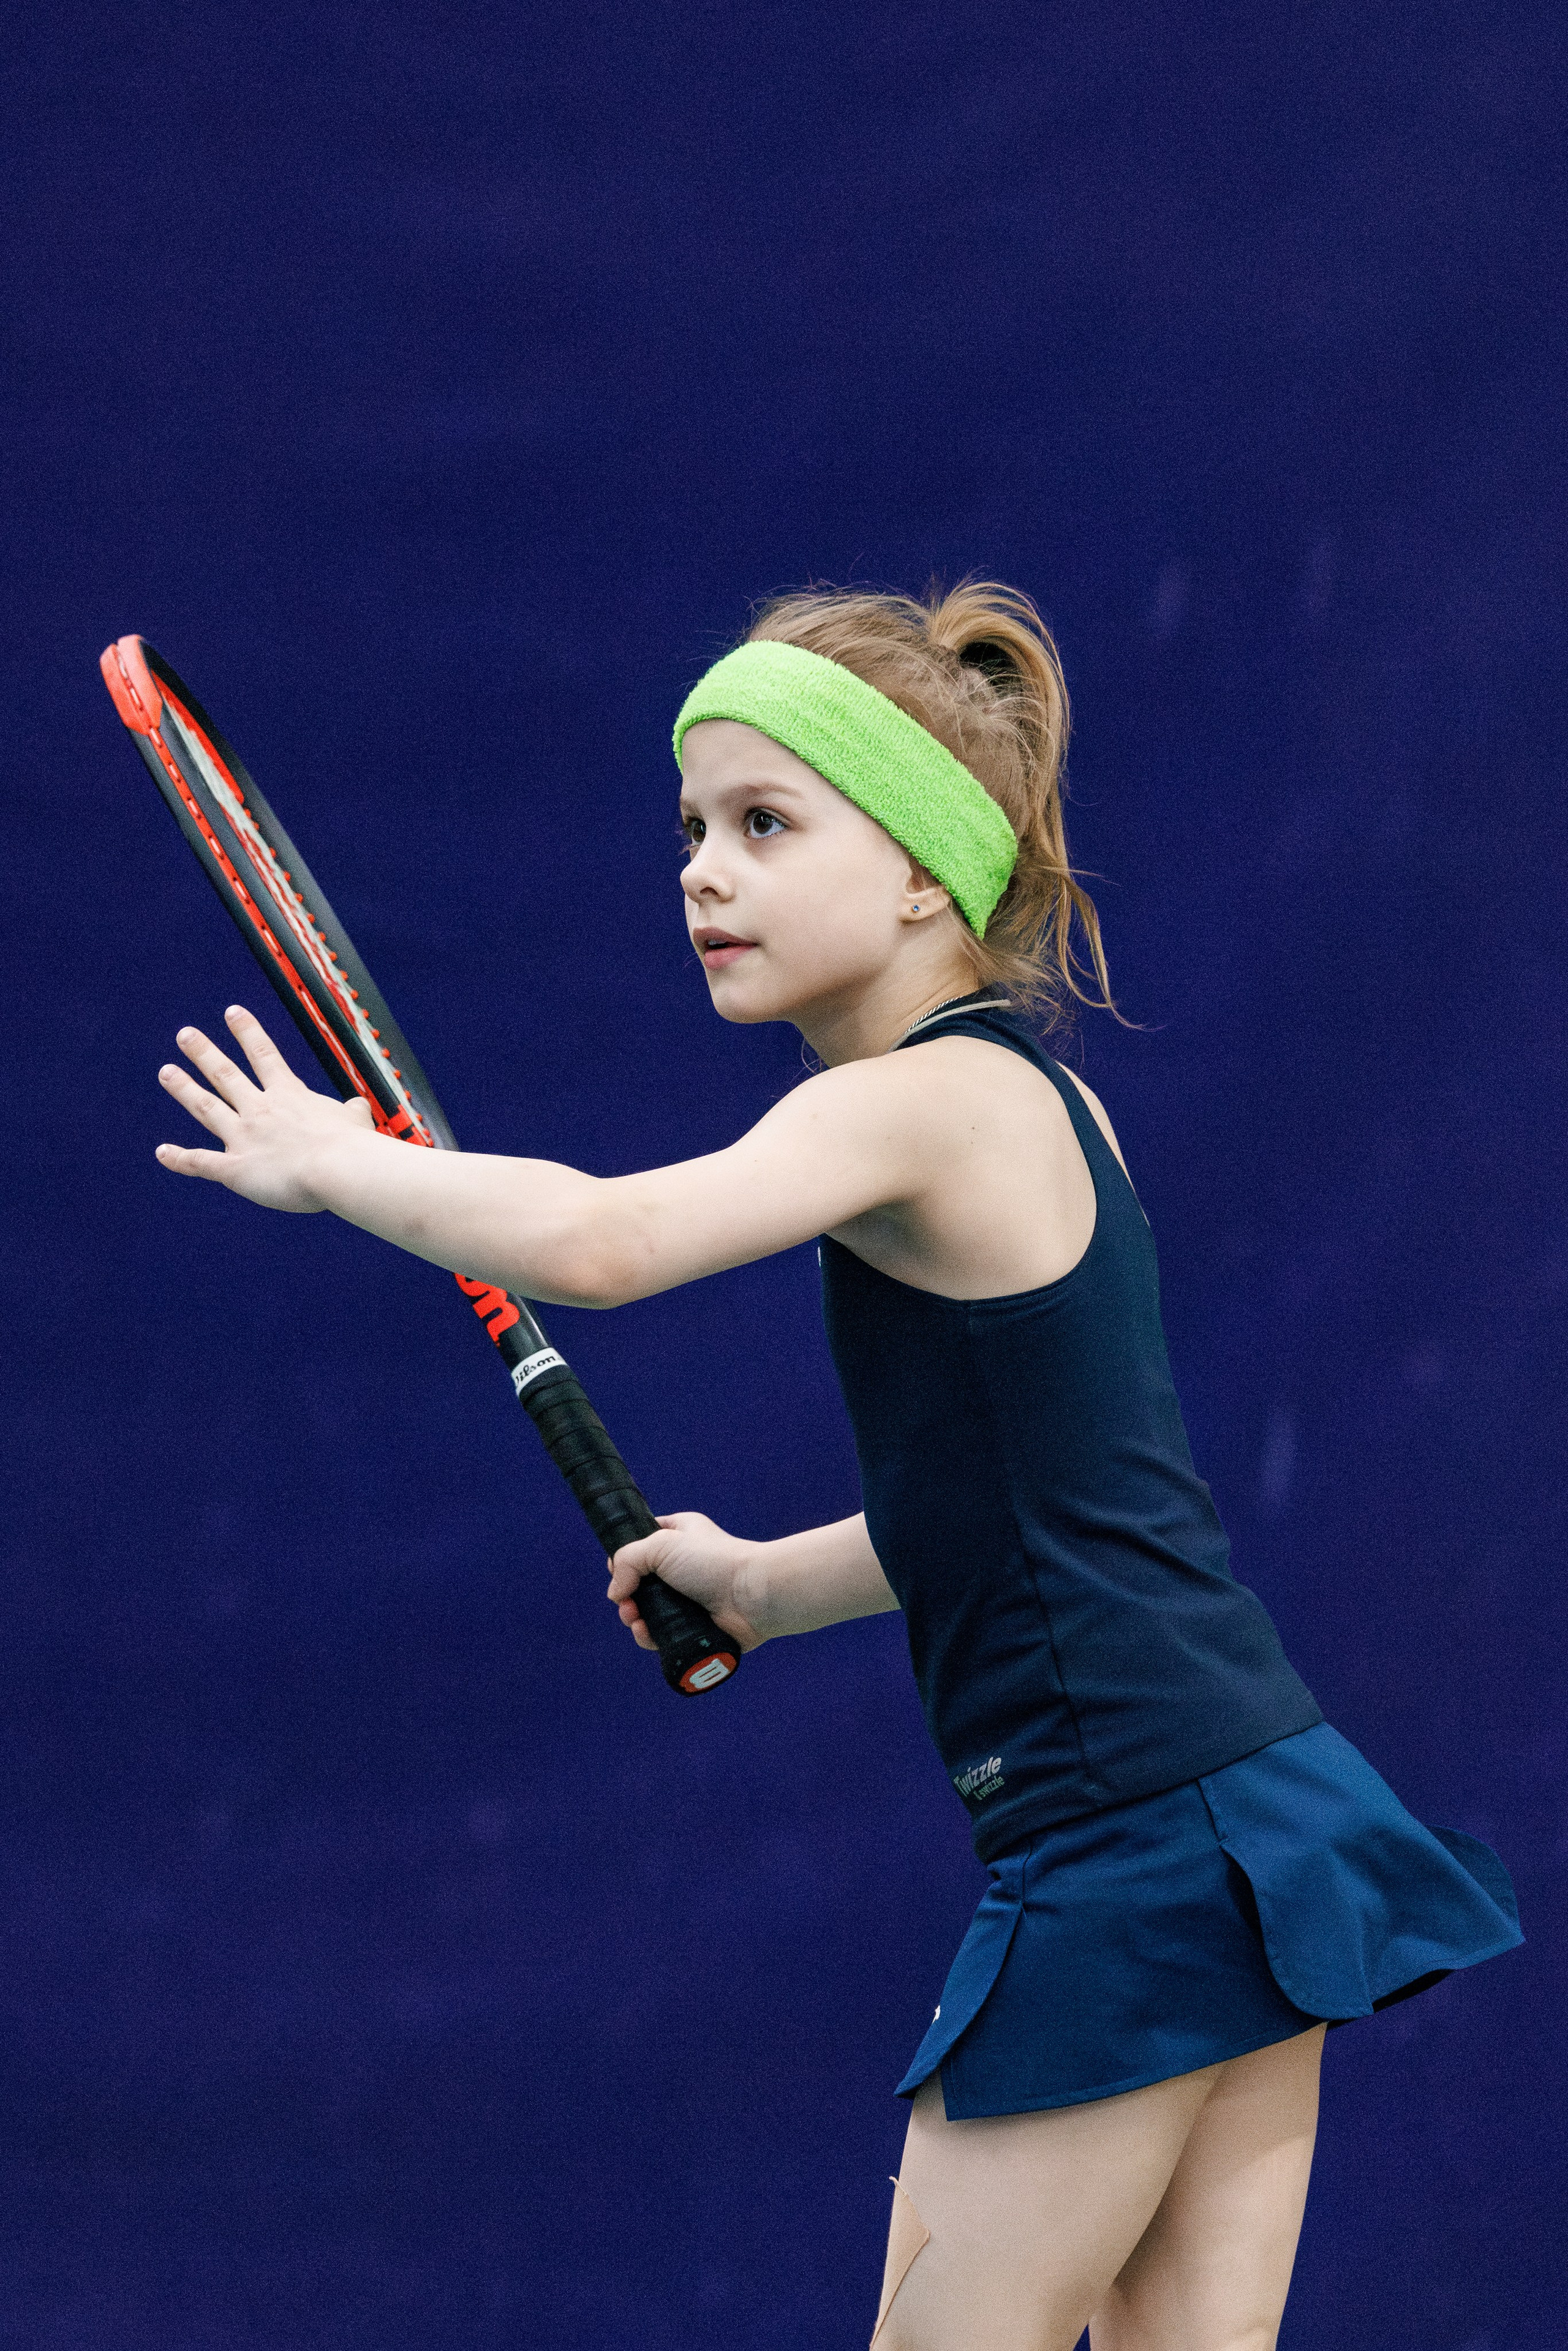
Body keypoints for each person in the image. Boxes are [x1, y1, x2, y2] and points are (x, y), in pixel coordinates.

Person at [153, 582, 1521, 2350]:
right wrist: (766, 1585)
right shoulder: (1036, 1105)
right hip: (1252, 1806)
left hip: (1134, 1860)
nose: (701, 872)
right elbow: (1034, 1512)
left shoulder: (913, 1108)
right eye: (693, 831)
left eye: (764, 823)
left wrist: (336, 1165)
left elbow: (606, 1242)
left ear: (917, 874)